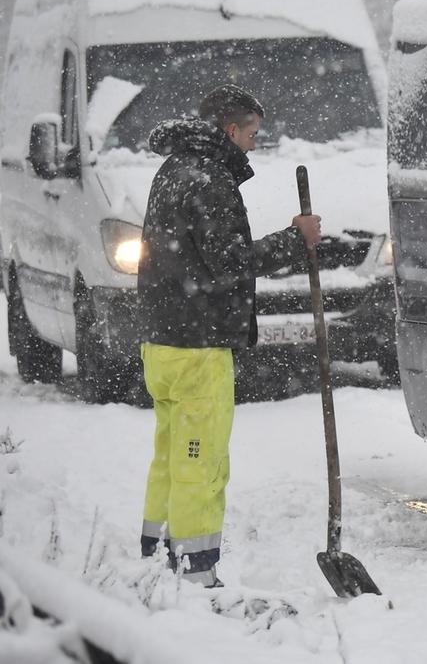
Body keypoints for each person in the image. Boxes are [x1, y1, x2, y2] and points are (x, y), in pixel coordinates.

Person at [136, 83, 321, 587]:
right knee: (203, 459)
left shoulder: (173, 169)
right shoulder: (210, 179)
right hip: (198, 348)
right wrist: (294, 238)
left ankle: (157, 555)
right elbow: (229, 263)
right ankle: (197, 571)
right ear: (229, 129)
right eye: (252, 133)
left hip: (162, 341)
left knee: (171, 455)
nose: (255, 144)